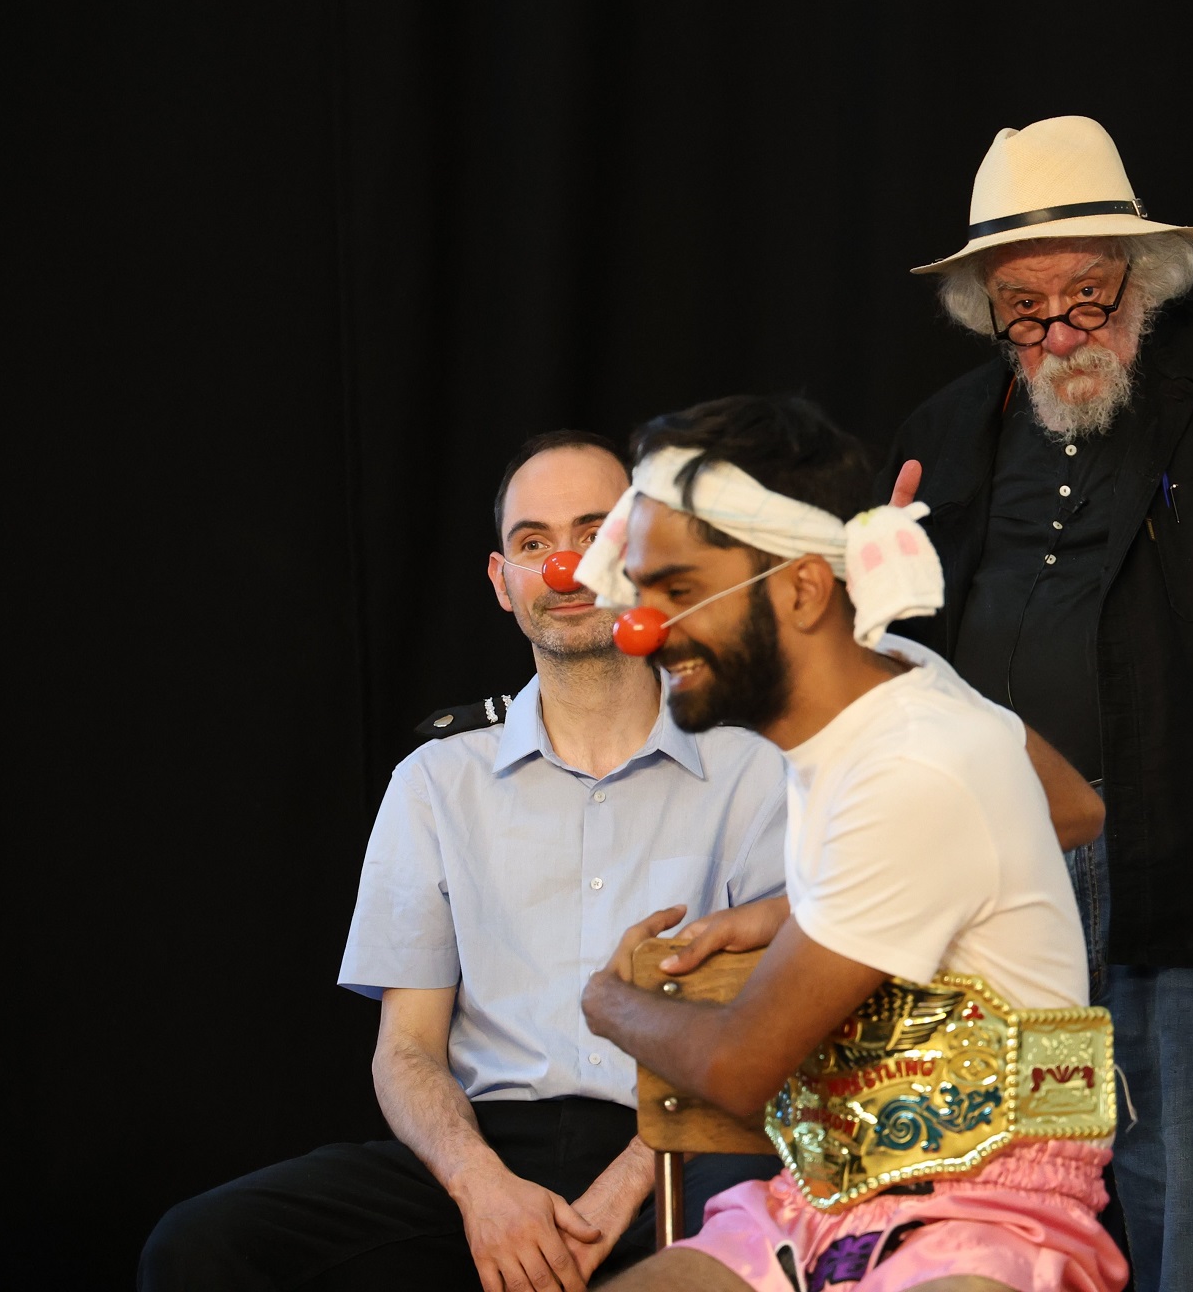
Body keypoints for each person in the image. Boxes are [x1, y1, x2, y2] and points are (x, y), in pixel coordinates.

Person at [878, 115, 1193, 1291]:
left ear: (1144, 274)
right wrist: (876, 590)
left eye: (1088, 294)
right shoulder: (943, 433)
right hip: (1012, 898)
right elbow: (898, 675)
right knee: (1036, 1206)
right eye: (1024, 304)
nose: (1060, 328)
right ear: (985, 306)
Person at [141, 430, 792, 1292]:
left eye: (594, 535)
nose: (564, 568)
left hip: (683, 1146)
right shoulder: (435, 782)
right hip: (486, 1151)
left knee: (780, 1230)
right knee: (200, 1247)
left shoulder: (755, 767)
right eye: (533, 545)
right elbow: (405, 1051)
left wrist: (626, 1185)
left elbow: (777, 1026)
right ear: (502, 583)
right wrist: (483, 1189)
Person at [571, 394, 1125, 1292]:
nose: (642, 629)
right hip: (815, 1204)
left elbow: (741, 1068)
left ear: (800, 586)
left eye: (677, 590)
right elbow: (1069, 809)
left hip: (985, 1216)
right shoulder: (904, 682)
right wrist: (802, 909)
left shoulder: (911, 762)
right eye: (639, 593)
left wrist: (606, 1001)